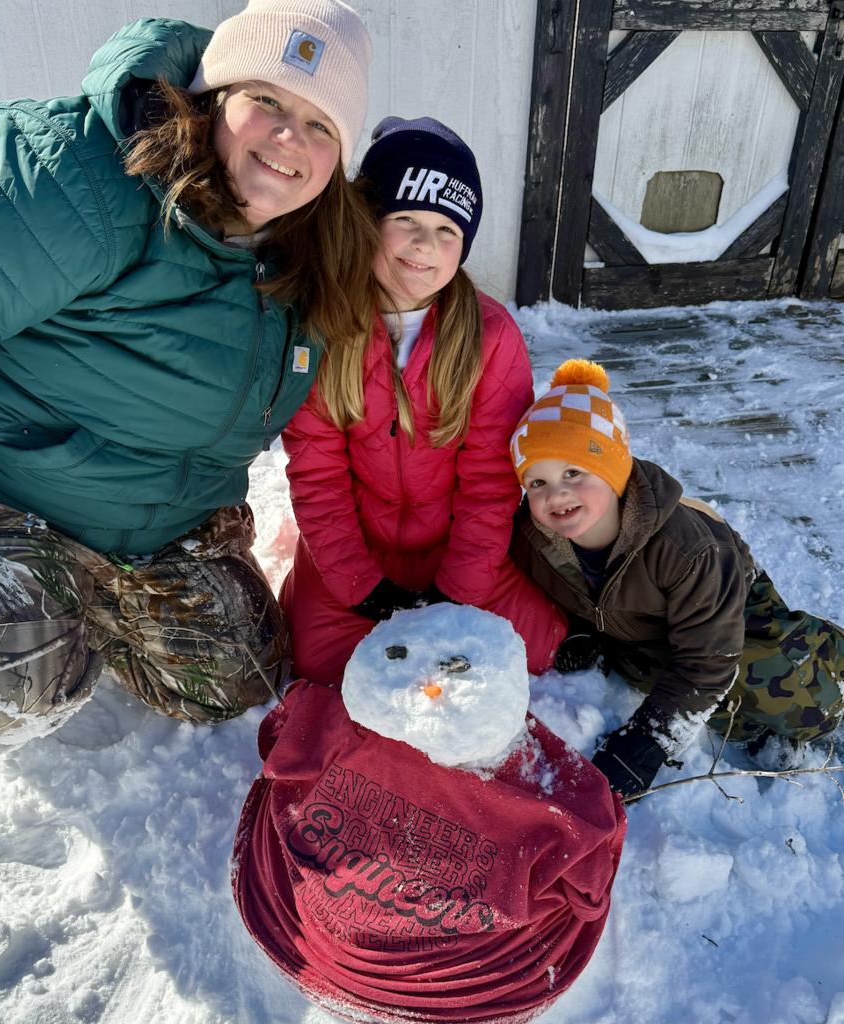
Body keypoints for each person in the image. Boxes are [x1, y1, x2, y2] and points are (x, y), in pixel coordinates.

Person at [0, 0, 378, 740]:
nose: (290, 138)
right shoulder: (80, 173)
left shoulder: (310, 253)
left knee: (234, 674)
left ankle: (85, 594)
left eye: (320, 125)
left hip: (143, 525)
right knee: (11, 673)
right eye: (268, 101)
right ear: (214, 95)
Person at [232, 604, 626, 1024]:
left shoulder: (329, 722)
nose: (429, 683)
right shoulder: (554, 806)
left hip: (301, 931)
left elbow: (279, 739)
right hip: (467, 987)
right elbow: (589, 885)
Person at [279, 116, 567, 686]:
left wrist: (455, 592)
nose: (423, 245)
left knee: (533, 650)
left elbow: (491, 482)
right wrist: (360, 586)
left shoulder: (491, 335)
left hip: (455, 547)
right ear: (366, 222)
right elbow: (316, 474)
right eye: (405, 219)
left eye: (446, 230)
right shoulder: (322, 326)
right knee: (322, 666)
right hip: (356, 549)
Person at [509, 358, 844, 797]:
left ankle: (830, 665)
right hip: (645, 625)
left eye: (574, 472)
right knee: (653, 676)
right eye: (536, 482)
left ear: (614, 471)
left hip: (734, 613)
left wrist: (646, 742)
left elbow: (710, 657)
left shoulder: (685, 549)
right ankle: (741, 722)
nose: (556, 494)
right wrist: (578, 632)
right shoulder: (534, 540)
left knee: (793, 697)